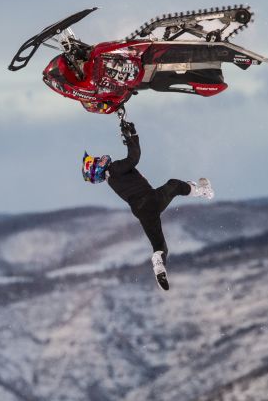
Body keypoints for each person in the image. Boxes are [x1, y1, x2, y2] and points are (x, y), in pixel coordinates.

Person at [82, 121, 214, 291]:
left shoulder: (112, 179)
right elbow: (134, 157)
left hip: (141, 211)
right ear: (96, 170)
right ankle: (204, 191)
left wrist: (130, 136)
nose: (100, 159)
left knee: (160, 245)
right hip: (150, 200)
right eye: (96, 161)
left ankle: (159, 266)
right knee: (173, 185)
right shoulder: (114, 169)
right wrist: (131, 137)